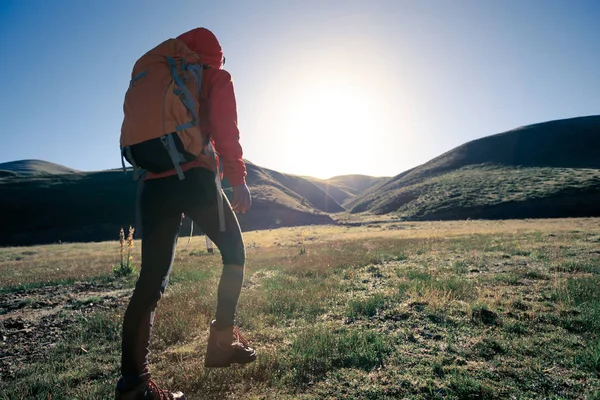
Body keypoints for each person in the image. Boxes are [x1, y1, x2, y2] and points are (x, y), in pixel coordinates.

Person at [116, 27, 256, 400]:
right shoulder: (214, 75)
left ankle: (134, 385)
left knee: (151, 281)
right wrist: (237, 178)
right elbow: (226, 127)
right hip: (194, 177)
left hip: (152, 184)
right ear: (218, 57)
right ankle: (222, 342)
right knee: (235, 254)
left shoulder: (159, 70)